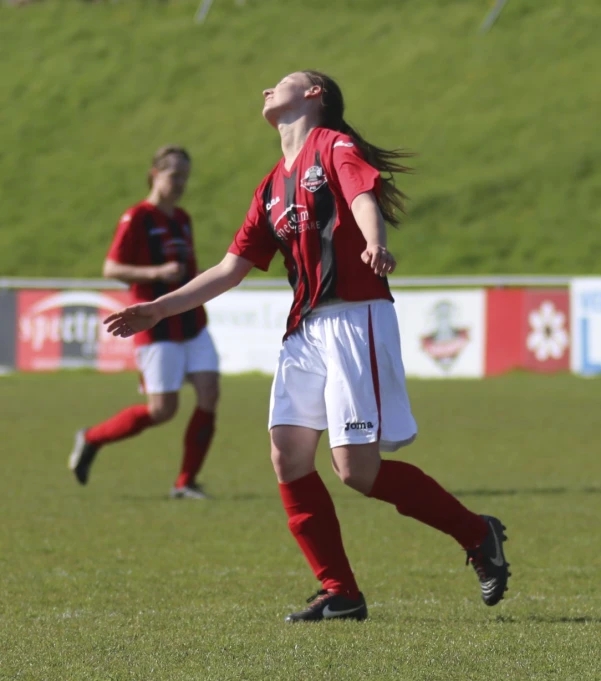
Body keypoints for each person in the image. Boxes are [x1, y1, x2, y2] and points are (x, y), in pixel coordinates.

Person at [104, 71, 511, 620]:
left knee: (356, 471)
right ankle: (339, 590)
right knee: (287, 455)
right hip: (305, 329)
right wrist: (158, 306)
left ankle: (476, 532)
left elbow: (362, 192)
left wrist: (374, 241)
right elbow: (230, 269)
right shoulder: (272, 184)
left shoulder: (333, 145)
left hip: (353, 317)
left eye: (282, 82)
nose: (267, 89)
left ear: (314, 95)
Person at [69, 145, 219, 500]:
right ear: (155, 173)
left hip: (191, 321)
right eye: (174, 175)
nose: (181, 182)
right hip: (153, 325)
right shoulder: (136, 217)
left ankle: (185, 483)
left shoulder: (183, 218)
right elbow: (112, 268)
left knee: (210, 393)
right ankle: (91, 438)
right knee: (163, 410)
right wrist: (156, 272)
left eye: (185, 175)